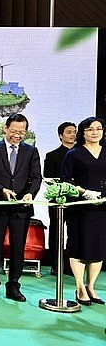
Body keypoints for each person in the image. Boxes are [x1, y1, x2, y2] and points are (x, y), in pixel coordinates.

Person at [0, 113, 41, 302]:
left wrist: (30, 193)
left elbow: (36, 177)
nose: (17, 135)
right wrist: (1, 189)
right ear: (5, 128)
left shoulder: (31, 151)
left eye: (21, 132)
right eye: (14, 131)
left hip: (21, 207)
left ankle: (13, 285)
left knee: (17, 248)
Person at [60, 117, 106, 306]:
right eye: (90, 129)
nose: (95, 132)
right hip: (80, 206)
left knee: (98, 247)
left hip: (102, 206)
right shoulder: (74, 153)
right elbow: (65, 179)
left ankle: (91, 286)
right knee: (79, 245)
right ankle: (79, 286)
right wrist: (84, 192)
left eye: (98, 129)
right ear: (83, 132)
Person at [43, 122, 76, 276]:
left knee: (74, 232)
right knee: (56, 231)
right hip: (57, 199)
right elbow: (47, 178)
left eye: (74, 132)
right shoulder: (52, 156)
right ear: (60, 136)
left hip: (78, 200)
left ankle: (71, 265)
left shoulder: (81, 154)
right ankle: (56, 264)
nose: (72, 134)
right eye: (69, 132)